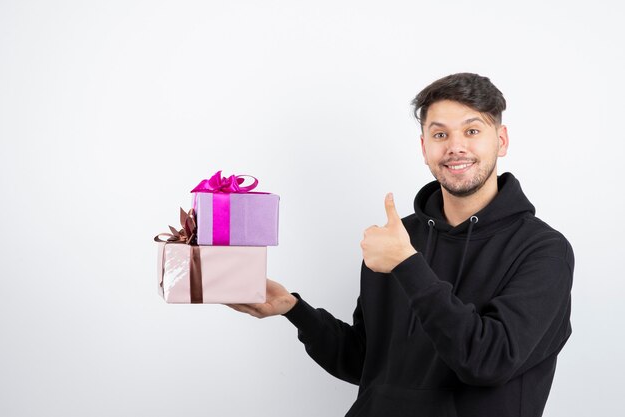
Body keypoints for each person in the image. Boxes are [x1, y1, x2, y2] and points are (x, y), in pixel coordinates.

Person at [228, 73, 574, 417]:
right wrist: (294, 309)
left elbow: (488, 362)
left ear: (501, 140)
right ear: (424, 148)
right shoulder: (397, 239)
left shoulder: (543, 251)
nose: (455, 146)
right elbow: (366, 361)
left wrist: (408, 265)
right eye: (440, 134)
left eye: (472, 131)